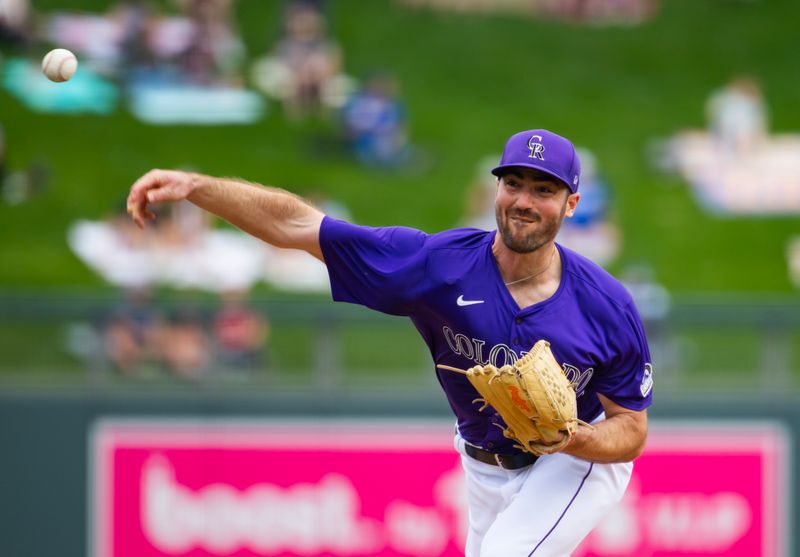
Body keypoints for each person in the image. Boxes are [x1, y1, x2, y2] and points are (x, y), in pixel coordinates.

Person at [127, 128, 652, 557]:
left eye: (544, 189)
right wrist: (197, 186)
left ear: (572, 203)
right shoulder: (437, 267)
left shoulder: (607, 306)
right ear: (495, 190)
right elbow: (299, 225)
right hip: (482, 465)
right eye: (513, 183)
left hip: (577, 461)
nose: (523, 200)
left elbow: (630, 429)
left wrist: (571, 438)